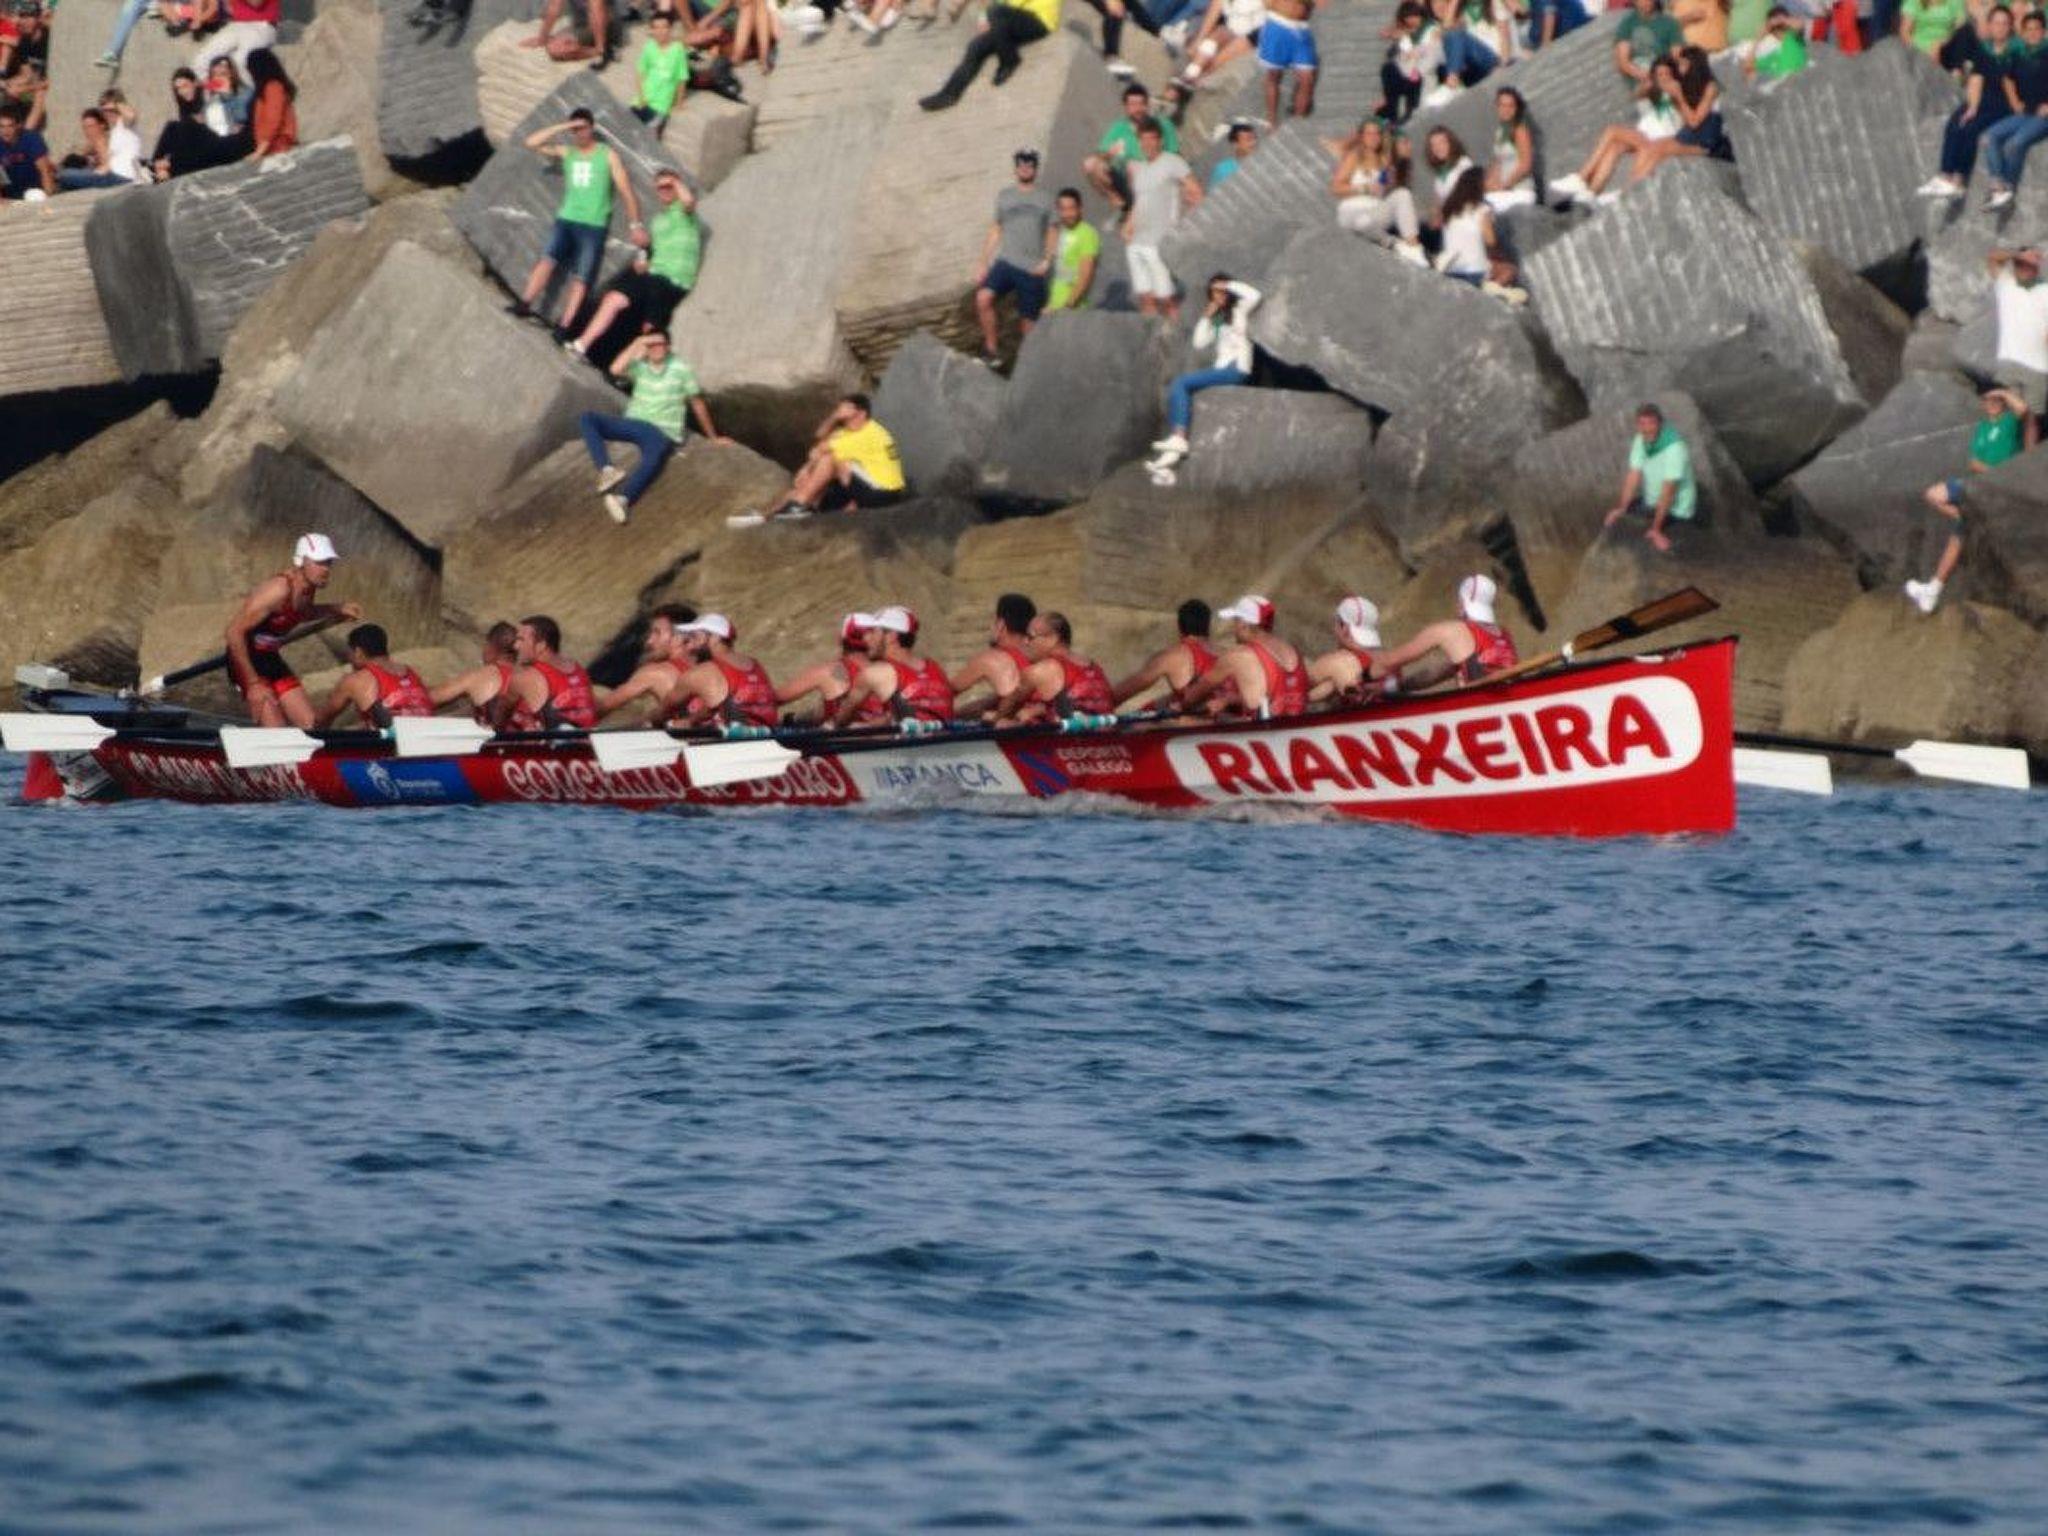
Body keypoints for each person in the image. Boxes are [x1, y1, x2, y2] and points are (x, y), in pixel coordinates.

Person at [508, 108, 642, 336]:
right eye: (576, 129)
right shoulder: (567, 152)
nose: (580, 133)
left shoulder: (607, 154)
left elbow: (625, 190)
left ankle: (564, 326)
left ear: (592, 128)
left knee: (582, 276)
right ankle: (525, 303)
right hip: (566, 219)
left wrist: (635, 224)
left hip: (594, 225)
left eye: (583, 128)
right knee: (547, 260)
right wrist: (565, 126)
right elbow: (531, 142)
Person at [581, 329, 728, 523]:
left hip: (662, 430)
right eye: (651, 345)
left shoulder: (681, 369)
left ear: (668, 346)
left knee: (654, 455)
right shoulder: (640, 366)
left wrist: (712, 437)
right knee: (588, 418)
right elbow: (615, 369)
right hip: (634, 423)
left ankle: (623, 499)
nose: (655, 348)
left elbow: (697, 403)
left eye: (660, 344)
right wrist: (638, 341)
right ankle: (607, 471)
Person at [1905, 386, 2027, 614]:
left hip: (2001, 488)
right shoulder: (1983, 427)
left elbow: (2023, 409)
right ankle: (1968, 521)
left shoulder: (2010, 422)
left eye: (1996, 400)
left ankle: (1933, 590)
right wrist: (1991, 470)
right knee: (1934, 496)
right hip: (1981, 485)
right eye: (1988, 400)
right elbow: (1974, 462)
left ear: (2003, 402)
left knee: (1957, 537)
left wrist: (2003, 392)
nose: (1992, 403)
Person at [224, 534, 363, 729]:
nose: (326, 569)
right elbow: (233, 632)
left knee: (312, 726)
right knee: (278, 730)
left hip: (270, 658)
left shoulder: (308, 586)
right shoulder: (278, 590)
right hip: (246, 662)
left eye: (328, 562)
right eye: (319, 562)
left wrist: (336, 609)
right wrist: (253, 684)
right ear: (301, 561)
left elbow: (303, 613)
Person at [565, 169, 700, 364]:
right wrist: (644, 260)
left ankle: (632, 369)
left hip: (674, 279)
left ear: (677, 186)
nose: (664, 190)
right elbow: (657, 252)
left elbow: (688, 201)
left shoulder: (685, 211)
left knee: (650, 327)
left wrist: (675, 182)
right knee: (614, 298)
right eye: (660, 187)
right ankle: (581, 345)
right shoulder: (657, 221)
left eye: (668, 186)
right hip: (654, 273)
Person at [1148, 275, 1261, 472]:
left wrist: (1227, 284)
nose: (1219, 296)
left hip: (1237, 368)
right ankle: (1172, 451)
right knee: (1180, 388)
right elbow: (1199, 343)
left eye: (1222, 292)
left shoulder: (1240, 309)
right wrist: (1206, 317)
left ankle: (1179, 438)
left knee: (1181, 382)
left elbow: (1255, 295)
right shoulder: (1217, 319)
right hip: (1222, 369)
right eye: (1215, 293)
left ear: (1229, 292)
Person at [746, 396, 907, 524]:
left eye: (846, 407)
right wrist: (833, 417)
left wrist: (807, 468)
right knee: (804, 488)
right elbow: (819, 436)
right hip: (859, 486)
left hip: (882, 492)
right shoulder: (848, 431)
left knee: (830, 459)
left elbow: (822, 450)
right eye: (840, 407)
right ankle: (763, 518)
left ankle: (798, 506)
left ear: (861, 413)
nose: (840, 409)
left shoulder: (869, 433)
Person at [1548, 60, 1686, 205]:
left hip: (1659, 139)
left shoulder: (1677, 90)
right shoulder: (1659, 92)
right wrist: (1648, 84)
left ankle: (1580, 177)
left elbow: (1682, 118)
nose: (1663, 78)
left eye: (1666, 74)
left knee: (1613, 131)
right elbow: (1637, 95)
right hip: (1646, 134)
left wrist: (1676, 93)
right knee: (1615, 147)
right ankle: (1592, 192)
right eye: (1659, 75)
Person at [1921, 4, 2015, 199]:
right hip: (1984, 97)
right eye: (1996, 23)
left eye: (2004, 23)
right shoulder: (1984, 50)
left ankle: (1959, 179)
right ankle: (1945, 174)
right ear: (1989, 25)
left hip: (2004, 102)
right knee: (1955, 121)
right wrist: (1972, 106)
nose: (2000, 27)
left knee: (1971, 128)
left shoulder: (2016, 51)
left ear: (2010, 26)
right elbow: (1976, 79)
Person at [974, 149, 1058, 366]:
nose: (1025, 169)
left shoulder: (1046, 198)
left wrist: (1047, 261)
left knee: (1027, 327)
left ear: (1035, 169)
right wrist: (983, 261)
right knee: (983, 298)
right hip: (1006, 262)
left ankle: (1030, 367)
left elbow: (1052, 231)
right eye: (1021, 165)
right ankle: (992, 351)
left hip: (1032, 268)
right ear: (1016, 169)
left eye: (1029, 165)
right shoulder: (1005, 196)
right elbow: (996, 229)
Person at [1373, 574, 1519, 690]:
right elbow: (1436, 674)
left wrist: (1366, 675)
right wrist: (1395, 687)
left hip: (1476, 705)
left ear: (1462, 604)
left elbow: (1390, 661)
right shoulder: (1503, 634)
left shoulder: (1448, 630)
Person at [1180, 594, 1310, 718]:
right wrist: (1229, 700)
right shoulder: (1293, 650)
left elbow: (1193, 696)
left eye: (1235, 621)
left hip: (1264, 730)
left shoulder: (1237, 655)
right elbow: (1271, 695)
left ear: (1243, 625)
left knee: (1184, 721)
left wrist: (1178, 704)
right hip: (1297, 726)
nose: (1234, 628)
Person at [1123, 118, 1201, 320]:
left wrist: (1187, 227)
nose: (1148, 144)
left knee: (1166, 296)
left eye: (1152, 138)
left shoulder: (1172, 162)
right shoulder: (1139, 168)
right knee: (1145, 295)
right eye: (1143, 139)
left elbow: (1195, 191)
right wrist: (1128, 225)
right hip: (1137, 239)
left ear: (1160, 140)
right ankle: (1150, 332)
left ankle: (1175, 330)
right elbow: (1138, 202)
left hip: (1160, 240)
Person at [918, 0, 1061, 110]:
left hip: (1039, 21)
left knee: (996, 12)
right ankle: (949, 94)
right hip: (1010, 21)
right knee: (976, 46)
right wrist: (986, 18)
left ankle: (1010, 60)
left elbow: (1008, 4)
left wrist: (990, 18)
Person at [834, 607, 956, 726]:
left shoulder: (875, 673)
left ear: (891, 636)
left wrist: (867, 725)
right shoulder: (936, 667)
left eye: (874, 632)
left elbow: (840, 721)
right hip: (949, 737)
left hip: (909, 739)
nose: (867, 639)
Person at [1600, 403, 1695, 553]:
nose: (1647, 429)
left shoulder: (1675, 448)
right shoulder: (1640, 439)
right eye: (1642, 424)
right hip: (1651, 501)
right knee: (1613, 519)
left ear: (1660, 424)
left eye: (1652, 423)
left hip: (1675, 509)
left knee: (1638, 535)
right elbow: (1633, 475)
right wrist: (1622, 508)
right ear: (1637, 425)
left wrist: (1656, 529)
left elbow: (1669, 491)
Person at [1331, 118, 1426, 263]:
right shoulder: (1354, 156)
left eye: (1376, 133)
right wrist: (1364, 188)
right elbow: (1336, 187)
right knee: (1363, 223)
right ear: (1362, 136)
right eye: (1369, 133)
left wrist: (1386, 186)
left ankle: (1414, 248)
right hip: (1352, 212)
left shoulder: (1383, 161)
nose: (1373, 137)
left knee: (1403, 194)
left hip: (1374, 212)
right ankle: (1400, 247)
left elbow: (1398, 151)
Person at [997, 611, 1116, 721]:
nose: (1025, 642)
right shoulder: (1093, 667)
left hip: (1071, 733)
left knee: (1003, 724)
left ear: (1053, 639)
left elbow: (1007, 709)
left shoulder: (1044, 670)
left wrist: (997, 718)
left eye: (1030, 636)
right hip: (1104, 731)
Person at [1110, 598, 1226, 712]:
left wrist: (1104, 703)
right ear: (1208, 626)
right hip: (1226, 716)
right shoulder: (1226, 654)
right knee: (1162, 702)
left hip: (1195, 720)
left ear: (1180, 627)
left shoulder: (1173, 656)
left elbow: (1130, 687)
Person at [778, 613, 893, 724]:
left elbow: (776, 700)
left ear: (840, 639)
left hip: (843, 735)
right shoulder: (890, 670)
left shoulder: (833, 671)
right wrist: (792, 719)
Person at [1980, 24, 2048, 211]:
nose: (2033, 33)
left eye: (2037, 29)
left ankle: (2008, 188)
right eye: (2029, 29)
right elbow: (2007, 79)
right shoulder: (2019, 55)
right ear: (2023, 33)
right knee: (1988, 137)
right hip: (2025, 112)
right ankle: (1998, 188)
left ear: (2044, 32)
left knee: (2014, 144)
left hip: (2044, 117)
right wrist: (2015, 102)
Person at [313, 625, 436, 729]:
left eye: (350, 653)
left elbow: (321, 719)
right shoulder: (410, 672)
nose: (350, 659)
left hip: (392, 743)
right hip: (425, 735)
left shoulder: (355, 680)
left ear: (358, 652)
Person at [593, 603, 701, 720]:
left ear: (679, 637)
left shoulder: (654, 673)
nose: (649, 641)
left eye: (657, 633)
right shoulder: (707, 668)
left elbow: (599, 710)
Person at [1083, 83, 1179, 213]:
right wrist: (1109, 154)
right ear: (1126, 107)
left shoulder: (1163, 124)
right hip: (1127, 181)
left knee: (1133, 166)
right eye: (1132, 105)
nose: (1137, 109)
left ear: (1147, 105)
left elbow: (1175, 154)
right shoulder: (1119, 128)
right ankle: (1120, 202)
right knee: (1090, 164)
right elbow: (1101, 154)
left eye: (1141, 104)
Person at [669, 613, 779, 727]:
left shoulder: (709, 669)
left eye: (696, 637)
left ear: (716, 638)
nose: (692, 645)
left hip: (734, 733)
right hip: (766, 730)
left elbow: (669, 707)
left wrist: (689, 721)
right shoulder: (756, 664)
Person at [1434, 166, 1525, 303]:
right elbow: (1490, 241)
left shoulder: (1449, 209)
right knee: (1509, 269)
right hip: (1474, 272)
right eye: (1487, 179)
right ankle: (1489, 289)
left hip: (1450, 270)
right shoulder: (1482, 209)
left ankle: (1490, 288)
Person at [1985, 246, 2048, 435]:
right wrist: (2019, 255)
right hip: (2009, 362)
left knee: (2031, 418)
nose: (2025, 269)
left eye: (2030, 265)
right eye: (2021, 264)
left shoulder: (2045, 290)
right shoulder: (2005, 284)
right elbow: (1993, 257)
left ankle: (2029, 453)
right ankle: (2007, 450)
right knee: (2008, 415)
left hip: (2038, 366)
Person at [498, 615, 597, 731]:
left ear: (541, 645)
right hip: (587, 739)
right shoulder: (577, 670)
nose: (516, 646)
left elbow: (499, 718)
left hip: (554, 739)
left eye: (521, 639)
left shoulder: (530, 677)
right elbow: (591, 712)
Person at [949, 592, 1038, 718]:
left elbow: (942, 693)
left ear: (1001, 625)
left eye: (993, 622)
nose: (990, 627)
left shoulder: (991, 659)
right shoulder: (1040, 656)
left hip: (1019, 728)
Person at [429, 622, 522, 724]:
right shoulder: (529, 678)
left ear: (491, 647)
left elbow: (432, 698)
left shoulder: (480, 676)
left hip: (487, 733)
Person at [1307, 594, 1390, 703]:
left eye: (1336, 622)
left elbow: (1298, 685)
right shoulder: (1389, 660)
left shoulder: (1337, 662)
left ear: (1344, 627)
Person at [55, 108, 146, 189]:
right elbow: (77, 154)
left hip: (115, 176)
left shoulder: (103, 140)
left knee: (65, 175)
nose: (87, 131)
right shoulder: (95, 142)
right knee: (69, 168)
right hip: (111, 175)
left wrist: (95, 171)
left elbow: (109, 166)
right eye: (84, 127)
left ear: (102, 125)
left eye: (91, 126)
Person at [1259, 0, 1318, 123]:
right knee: (1274, 76)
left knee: (1307, 78)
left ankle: (1298, 120)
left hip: (1301, 28)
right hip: (1277, 24)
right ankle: (1271, 120)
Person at [632, 10, 689, 130]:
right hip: (641, 101)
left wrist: (679, 103)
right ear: (652, 30)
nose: (660, 31)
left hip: (660, 105)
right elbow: (640, 72)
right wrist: (641, 97)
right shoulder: (649, 46)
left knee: (647, 130)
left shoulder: (678, 50)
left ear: (670, 29)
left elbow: (681, 78)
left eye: (664, 27)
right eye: (656, 28)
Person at [1046, 187, 1100, 312]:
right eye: (1063, 209)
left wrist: (1068, 305)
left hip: (1073, 308)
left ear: (1080, 209)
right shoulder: (1061, 231)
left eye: (1071, 208)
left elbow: (1086, 275)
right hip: (1054, 305)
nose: (1067, 214)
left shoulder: (1087, 233)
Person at [1483, 86, 1536, 211]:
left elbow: (1525, 165)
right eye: (1502, 105)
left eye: (1510, 106)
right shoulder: (1500, 132)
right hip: (1505, 191)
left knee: (1485, 208)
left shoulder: (1520, 130)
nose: (1506, 110)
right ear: (1497, 107)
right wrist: (1488, 184)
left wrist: (1505, 185)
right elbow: (1498, 163)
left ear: (1516, 108)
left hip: (1520, 190)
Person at [193, 0, 279, 76]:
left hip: (262, 25)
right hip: (237, 24)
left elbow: (256, 3)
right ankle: (212, 87)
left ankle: (239, 88)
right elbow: (228, 8)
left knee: (239, 63)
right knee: (201, 60)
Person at [523, 0, 613, 68]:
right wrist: (542, 39)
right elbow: (554, 8)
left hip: (603, 28)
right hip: (580, 26)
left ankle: (595, 51)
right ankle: (591, 48)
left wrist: (599, 47)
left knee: (556, 50)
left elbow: (597, 13)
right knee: (553, 47)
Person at [1614, 0, 1681, 87]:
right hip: (1640, 81)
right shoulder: (1627, 24)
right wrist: (1643, 75)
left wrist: (1663, 76)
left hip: (1666, 77)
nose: (1645, 2)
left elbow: (1676, 55)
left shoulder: (1669, 22)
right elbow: (1623, 62)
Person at [245, 46, 295, 158]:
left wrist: (261, 148)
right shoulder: (266, 88)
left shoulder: (273, 87)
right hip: (271, 146)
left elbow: (273, 120)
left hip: (278, 146)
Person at [0, 100, 55, 198]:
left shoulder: (30, 138)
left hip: (35, 191)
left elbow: (44, 170)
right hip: (10, 193)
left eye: (10, 126)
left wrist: (49, 196)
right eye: (1, 127)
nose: (5, 131)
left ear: (18, 125)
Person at [1740, 3, 1808, 80]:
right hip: (1781, 83)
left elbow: (1800, 24)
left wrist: (1781, 20)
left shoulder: (1794, 39)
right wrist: (1758, 39)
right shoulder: (1771, 56)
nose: (1778, 28)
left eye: (1780, 25)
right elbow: (1747, 65)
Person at [1208, 120, 1258, 190]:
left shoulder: (1261, 163)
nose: (1254, 143)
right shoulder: (1223, 170)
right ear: (1235, 144)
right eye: (1248, 139)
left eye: (1254, 138)